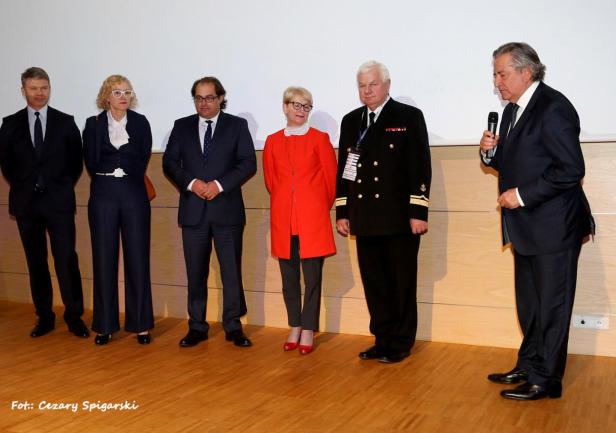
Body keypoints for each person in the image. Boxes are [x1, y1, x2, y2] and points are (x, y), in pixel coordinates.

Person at [479, 42, 595, 400]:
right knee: (530, 305)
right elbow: (516, 162)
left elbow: (571, 169)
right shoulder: (513, 111)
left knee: (551, 307)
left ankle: (546, 380)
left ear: (526, 71)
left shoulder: (553, 107)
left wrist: (522, 195)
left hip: (554, 227)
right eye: (495, 75)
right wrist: (489, 154)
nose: (497, 81)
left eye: (502, 74)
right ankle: (528, 365)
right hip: (527, 227)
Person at [335, 61, 431, 364]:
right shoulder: (351, 121)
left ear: (387, 85)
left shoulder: (408, 116)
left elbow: (420, 166)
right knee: (374, 283)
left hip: (399, 217)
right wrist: (343, 210)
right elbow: (345, 169)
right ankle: (382, 338)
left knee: (400, 283)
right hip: (365, 216)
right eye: (362, 85)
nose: (367, 91)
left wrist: (419, 211)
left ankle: (401, 342)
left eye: (373, 84)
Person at [163, 76, 257, 348]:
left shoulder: (237, 126)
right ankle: (197, 326)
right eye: (198, 98)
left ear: (220, 98)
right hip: (193, 212)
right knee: (195, 273)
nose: (203, 103)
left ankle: (233, 326)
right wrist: (192, 183)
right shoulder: (181, 126)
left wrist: (218, 185)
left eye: (209, 98)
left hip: (227, 211)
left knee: (231, 272)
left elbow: (248, 163)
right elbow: (169, 163)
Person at [0, 67, 88, 339]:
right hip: (26, 204)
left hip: (59, 203)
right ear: (23, 90)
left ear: (49, 89)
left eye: (44, 88)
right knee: (36, 262)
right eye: (34, 88)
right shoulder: (9, 124)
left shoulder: (66, 122)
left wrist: (58, 185)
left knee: (66, 259)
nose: (39, 93)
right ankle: (45, 317)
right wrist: (27, 184)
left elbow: (75, 163)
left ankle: (74, 317)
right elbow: (7, 165)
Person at [263, 87, 337, 355]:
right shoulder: (272, 141)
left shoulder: (320, 138)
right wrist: (287, 203)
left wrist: (314, 206)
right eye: (296, 105)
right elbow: (271, 181)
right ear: (285, 107)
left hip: (312, 220)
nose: (301, 110)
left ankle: (308, 328)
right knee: (289, 279)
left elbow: (330, 180)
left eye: (306, 106)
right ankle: (294, 325)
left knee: (313, 279)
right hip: (284, 219)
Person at [82, 75, 154, 345]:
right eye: (117, 92)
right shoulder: (93, 124)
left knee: (138, 258)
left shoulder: (140, 122)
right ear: (106, 96)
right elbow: (90, 161)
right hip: (103, 194)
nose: (123, 97)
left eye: (127, 92)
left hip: (134, 193)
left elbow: (144, 155)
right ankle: (105, 325)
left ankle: (141, 324)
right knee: (104, 259)